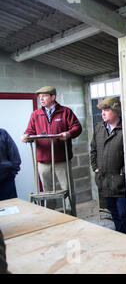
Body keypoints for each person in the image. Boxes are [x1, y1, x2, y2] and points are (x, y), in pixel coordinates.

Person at [21, 86, 81, 215]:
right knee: (47, 191)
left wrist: (68, 134)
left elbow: (77, 127)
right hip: (43, 161)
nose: (41, 99)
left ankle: (71, 215)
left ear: (53, 97)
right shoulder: (36, 114)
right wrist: (26, 136)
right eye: (40, 97)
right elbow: (30, 131)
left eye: (44, 96)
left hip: (61, 159)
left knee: (67, 189)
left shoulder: (65, 112)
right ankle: (51, 214)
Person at [90, 97, 126, 235]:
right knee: (113, 212)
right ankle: (121, 236)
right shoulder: (99, 128)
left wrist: (123, 173)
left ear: (116, 111)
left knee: (124, 213)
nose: (103, 113)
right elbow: (93, 150)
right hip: (104, 181)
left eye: (107, 110)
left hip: (121, 182)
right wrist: (95, 167)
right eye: (102, 110)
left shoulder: (125, 129)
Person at [0, 128, 21, 201]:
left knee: (11, 208)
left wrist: (12, 172)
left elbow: (15, 156)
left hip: (6, 181)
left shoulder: (2, 133)